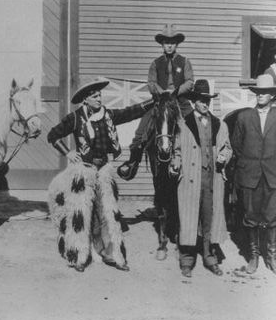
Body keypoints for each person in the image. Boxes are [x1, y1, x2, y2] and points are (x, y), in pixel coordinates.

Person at [47, 78, 152, 272]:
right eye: (94, 96)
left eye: (99, 95)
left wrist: (153, 102)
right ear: (85, 100)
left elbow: (130, 112)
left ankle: (111, 254)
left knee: (107, 213)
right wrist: (68, 152)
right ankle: (78, 255)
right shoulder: (76, 118)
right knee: (81, 214)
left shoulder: (108, 116)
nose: (99, 98)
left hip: (103, 170)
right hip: (84, 171)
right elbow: (52, 135)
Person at [170, 80, 232, 277]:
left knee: (209, 217)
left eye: (207, 100)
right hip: (190, 178)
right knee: (189, 217)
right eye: (201, 100)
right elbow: (176, 150)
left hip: (211, 179)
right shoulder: (183, 124)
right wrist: (175, 162)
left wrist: (224, 156)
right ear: (194, 101)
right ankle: (187, 259)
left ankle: (209, 256)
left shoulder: (219, 124)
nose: (205, 104)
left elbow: (227, 148)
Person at [118, 24, 194, 180]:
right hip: (160, 102)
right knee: (142, 130)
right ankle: (133, 162)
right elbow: (151, 83)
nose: (169, 45)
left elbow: (190, 82)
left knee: (196, 127)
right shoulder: (155, 63)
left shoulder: (185, 61)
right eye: (166, 42)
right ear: (162, 44)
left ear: (177, 44)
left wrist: (175, 91)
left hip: (180, 101)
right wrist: (162, 92)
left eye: (172, 42)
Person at [231, 74, 276, 275]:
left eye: (265, 92)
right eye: (258, 92)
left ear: (272, 96)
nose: (261, 95)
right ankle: (253, 257)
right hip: (249, 176)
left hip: (273, 176)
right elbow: (236, 146)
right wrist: (248, 164)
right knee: (250, 217)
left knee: (272, 217)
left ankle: (271, 255)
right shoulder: (244, 117)